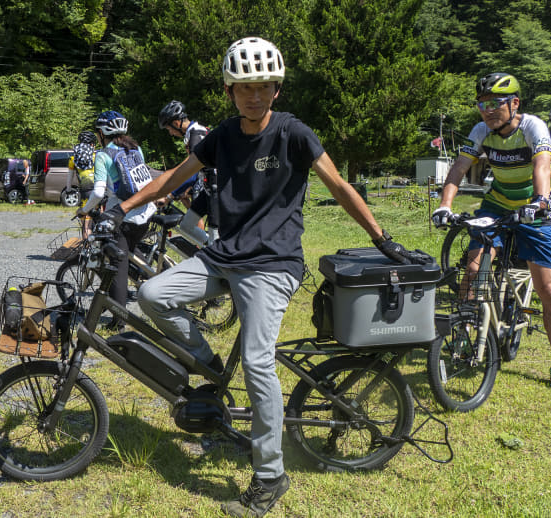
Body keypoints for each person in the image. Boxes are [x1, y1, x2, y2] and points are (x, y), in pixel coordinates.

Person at [97, 37, 417, 517]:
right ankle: (206, 368)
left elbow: (340, 185)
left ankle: (270, 474)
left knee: (257, 361)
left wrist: (381, 238)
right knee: (152, 293)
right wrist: (120, 207)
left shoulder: (294, 134)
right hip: (225, 256)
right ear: (229, 91)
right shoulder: (223, 135)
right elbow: (173, 178)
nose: (253, 95)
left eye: (263, 86)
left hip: (272, 265)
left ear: (276, 89)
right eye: (243, 87)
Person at [432, 73, 551, 393]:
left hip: (535, 208)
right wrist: (444, 205)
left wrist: (541, 200)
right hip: (496, 205)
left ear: (514, 103)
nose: (488, 111)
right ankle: (465, 335)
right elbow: (458, 170)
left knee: (547, 288)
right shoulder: (481, 131)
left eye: (495, 103)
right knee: (474, 270)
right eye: (482, 104)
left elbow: (542, 167)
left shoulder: (533, 127)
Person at [77, 110, 156, 330]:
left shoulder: (104, 155)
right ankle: (148, 274)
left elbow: (98, 192)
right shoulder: (135, 148)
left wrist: (84, 211)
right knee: (129, 251)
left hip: (122, 216)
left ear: (102, 133)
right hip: (145, 214)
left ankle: (118, 322)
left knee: (117, 267)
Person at [158, 100, 219, 246]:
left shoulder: (196, 136)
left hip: (218, 191)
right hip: (209, 189)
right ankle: (212, 248)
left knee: (215, 236)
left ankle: (215, 250)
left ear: (177, 123)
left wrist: (170, 196)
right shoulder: (197, 132)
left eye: (169, 129)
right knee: (186, 225)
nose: (171, 133)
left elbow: (191, 173)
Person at [68, 131, 98, 238]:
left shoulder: (73, 159)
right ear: (92, 145)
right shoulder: (98, 157)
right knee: (102, 219)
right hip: (101, 191)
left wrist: (68, 189)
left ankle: (87, 249)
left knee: (86, 223)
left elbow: (69, 180)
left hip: (86, 193)